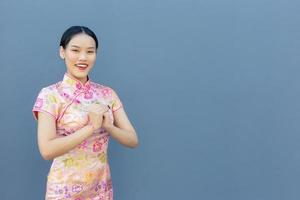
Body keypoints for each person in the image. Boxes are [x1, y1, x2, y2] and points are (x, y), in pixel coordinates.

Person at [32, 25, 139, 200]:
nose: (83, 57)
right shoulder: (50, 95)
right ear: (62, 52)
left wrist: (108, 126)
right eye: (75, 50)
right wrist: (90, 127)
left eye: (90, 52)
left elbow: (132, 140)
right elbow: (46, 150)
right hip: (64, 190)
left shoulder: (107, 94)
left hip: (101, 189)